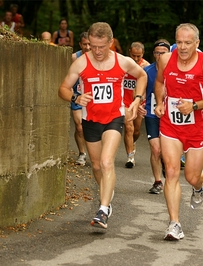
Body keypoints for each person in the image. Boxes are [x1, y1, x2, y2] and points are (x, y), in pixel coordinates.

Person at [58, 22, 147, 229]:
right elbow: (62, 88)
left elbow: (142, 76)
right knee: (96, 165)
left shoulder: (122, 62)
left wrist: (136, 99)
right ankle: (106, 191)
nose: (96, 51)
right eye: (92, 46)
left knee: (107, 162)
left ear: (111, 43)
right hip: (91, 120)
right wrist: (75, 97)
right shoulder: (81, 63)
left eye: (101, 46)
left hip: (114, 118)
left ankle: (103, 209)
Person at [154, 23, 203, 240]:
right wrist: (159, 102)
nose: (182, 47)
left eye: (187, 42)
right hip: (170, 125)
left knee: (191, 176)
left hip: (198, 126)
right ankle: (174, 224)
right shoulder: (166, 59)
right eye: (179, 42)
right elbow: (159, 82)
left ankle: (199, 186)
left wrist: (194, 105)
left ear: (197, 43)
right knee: (172, 171)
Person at [142, 39, 171, 194]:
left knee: (167, 151)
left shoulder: (176, 70)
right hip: (152, 114)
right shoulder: (147, 71)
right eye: (157, 53)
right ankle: (158, 181)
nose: (160, 56)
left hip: (171, 116)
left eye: (163, 53)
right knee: (156, 149)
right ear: (153, 54)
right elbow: (140, 92)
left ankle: (167, 166)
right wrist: (139, 105)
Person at [123, 42, 150, 168]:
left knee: (137, 130)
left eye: (138, 56)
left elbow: (148, 88)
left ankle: (132, 144)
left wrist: (140, 100)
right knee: (129, 127)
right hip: (125, 101)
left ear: (142, 54)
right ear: (129, 52)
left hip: (139, 102)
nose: (136, 59)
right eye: (133, 55)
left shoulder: (146, 67)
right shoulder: (123, 64)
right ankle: (130, 157)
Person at [71, 32, 91, 166]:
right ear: (80, 44)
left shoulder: (98, 56)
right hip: (78, 97)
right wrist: (73, 93)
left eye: (90, 44)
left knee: (93, 127)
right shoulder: (74, 57)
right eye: (85, 44)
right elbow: (68, 77)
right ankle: (82, 154)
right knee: (79, 127)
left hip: (92, 98)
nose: (88, 47)